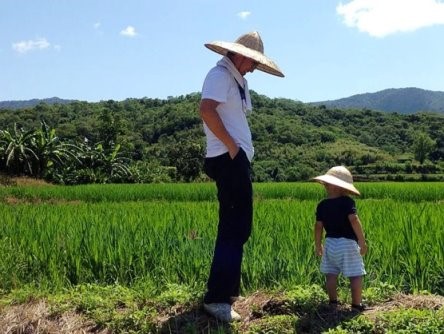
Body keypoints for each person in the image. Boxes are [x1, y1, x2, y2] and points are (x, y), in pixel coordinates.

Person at [199, 31, 284, 322]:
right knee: (234, 228)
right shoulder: (220, 75)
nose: (255, 69)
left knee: (239, 227)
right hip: (228, 159)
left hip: (234, 160)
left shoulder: (235, 79)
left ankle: (226, 293)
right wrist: (233, 148)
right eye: (254, 63)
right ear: (242, 56)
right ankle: (218, 298)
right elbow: (206, 110)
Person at [313, 166, 368, 311]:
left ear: (328, 185)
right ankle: (356, 304)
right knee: (356, 274)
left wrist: (318, 245)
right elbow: (354, 220)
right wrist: (362, 241)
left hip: (330, 243)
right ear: (342, 188)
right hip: (347, 244)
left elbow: (318, 227)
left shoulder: (322, 205)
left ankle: (333, 303)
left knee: (331, 273)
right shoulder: (347, 202)